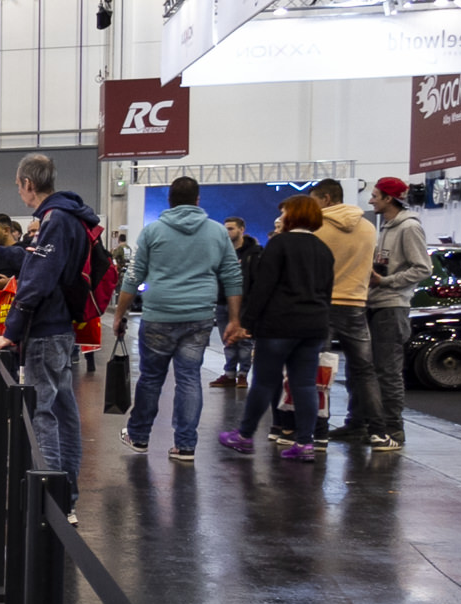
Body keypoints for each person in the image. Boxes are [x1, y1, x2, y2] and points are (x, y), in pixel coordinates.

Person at [0, 154, 101, 517]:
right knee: (63, 414)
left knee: (44, 416)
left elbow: (38, 280)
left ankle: (50, 505)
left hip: (45, 331)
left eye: (18, 185)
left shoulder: (55, 219)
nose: (19, 191)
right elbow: (40, 263)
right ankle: (64, 499)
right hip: (60, 328)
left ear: (28, 183)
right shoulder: (68, 216)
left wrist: (10, 332)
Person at [113, 176, 243, 463]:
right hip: (199, 316)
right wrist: (234, 319)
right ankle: (185, 446)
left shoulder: (152, 231)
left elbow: (133, 276)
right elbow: (232, 276)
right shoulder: (217, 232)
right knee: (189, 379)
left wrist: (120, 314)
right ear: (198, 200)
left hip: (158, 316)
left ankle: (139, 437)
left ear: (169, 201)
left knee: (151, 379)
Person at [220, 194, 333, 460]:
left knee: (265, 382)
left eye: (284, 213)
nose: (281, 217)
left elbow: (263, 287)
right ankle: (305, 444)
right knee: (304, 385)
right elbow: (327, 292)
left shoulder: (279, 244)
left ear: (294, 215)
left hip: (279, 325)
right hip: (314, 326)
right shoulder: (323, 249)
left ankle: (245, 436)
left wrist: (246, 323)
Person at [312, 179, 382, 444]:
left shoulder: (316, 227)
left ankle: (319, 432)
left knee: (320, 370)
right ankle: (378, 431)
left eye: (314, 200)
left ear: (327, 199)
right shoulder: (368, 227)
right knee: (365, 371)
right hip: (356, 304)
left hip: (323, 305)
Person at [366, 176, 431, 453]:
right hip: (377, 304)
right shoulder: (386, 226)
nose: (371, 200)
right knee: (371, 370)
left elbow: (423, 268)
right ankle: (370, 425)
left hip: (392, 306)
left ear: (389, 198)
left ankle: (393, 429)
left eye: (375, 195)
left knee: (388, 371)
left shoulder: (409, 227)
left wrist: (386, 281)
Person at [210, 217, 261, 387]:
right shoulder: (221, 252)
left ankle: (243, 374)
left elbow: (256, 278)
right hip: (222, 300)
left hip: (244, 302)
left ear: (241, 230)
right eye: (225, 229)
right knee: (228, 340)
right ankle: (229, 373)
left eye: (231, 229)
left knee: (245, 340)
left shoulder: (253, 253)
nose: (227, 232)